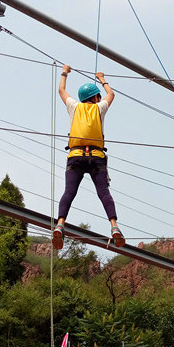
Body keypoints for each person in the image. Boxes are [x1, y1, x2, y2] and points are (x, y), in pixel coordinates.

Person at [53, 64, 124, 250]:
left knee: (69, 192)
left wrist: (65, 72)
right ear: (95, 97)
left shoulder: (74, 107)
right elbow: (112, 95)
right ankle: (114, 227)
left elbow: (61, 90)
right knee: (104, 193)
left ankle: (60, 224)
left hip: (76, 156)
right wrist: (102, 79)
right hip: (96, 156)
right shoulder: (99, 108)